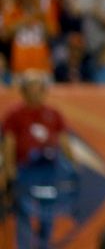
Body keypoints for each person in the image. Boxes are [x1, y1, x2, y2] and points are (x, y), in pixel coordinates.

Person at [1, 70, 77, 249]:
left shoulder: (53, 114)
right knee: (23, 212)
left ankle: (44, 245)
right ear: (24, 91)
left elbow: (64, 141)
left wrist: (72, 164)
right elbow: (9, 143)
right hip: (26, 170)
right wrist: (9, 168)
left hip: (49, 171)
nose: (36, 92)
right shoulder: (15, 115)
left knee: (48, 212)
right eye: (32, 88)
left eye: (39, 88)